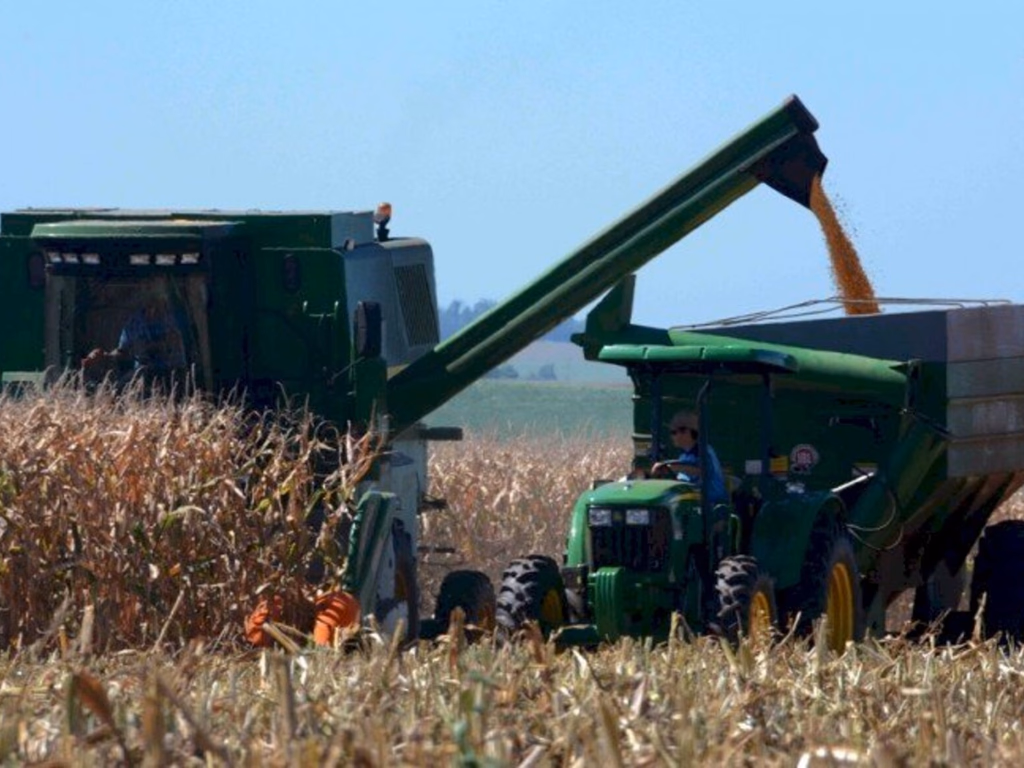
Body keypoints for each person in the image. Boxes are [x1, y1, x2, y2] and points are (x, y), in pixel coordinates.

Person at [650, 410, 729, 504]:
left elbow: (702, 471)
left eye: (674, 432)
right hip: (689, 501)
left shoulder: (704, 451)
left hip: (710, 504)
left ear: (687, 432)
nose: (671, 437)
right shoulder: (684, 456)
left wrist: (671, 468)